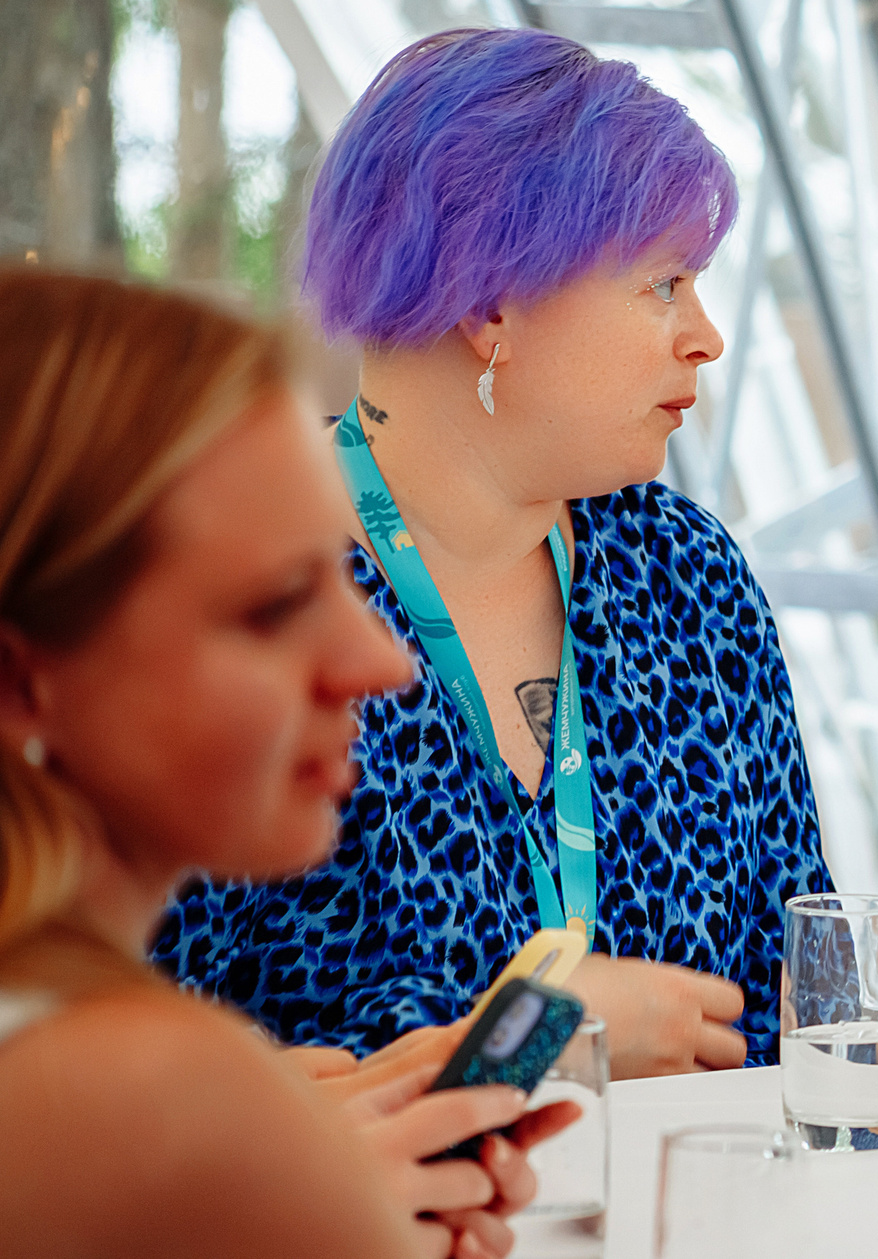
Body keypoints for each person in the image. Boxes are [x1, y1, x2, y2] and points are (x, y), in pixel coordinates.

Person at [154, 28, 831, 1074]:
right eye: (664, 284)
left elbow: (805, 1000)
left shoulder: (689, 580)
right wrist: (528, 1041)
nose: (705, 335)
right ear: (489, 305)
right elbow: (130, 1079)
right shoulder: (238, 598)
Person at [0, 270, 578, 1257]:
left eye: (338, 574)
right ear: (21, 686)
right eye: (272, 605)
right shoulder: (154, 1096)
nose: (378, 662)